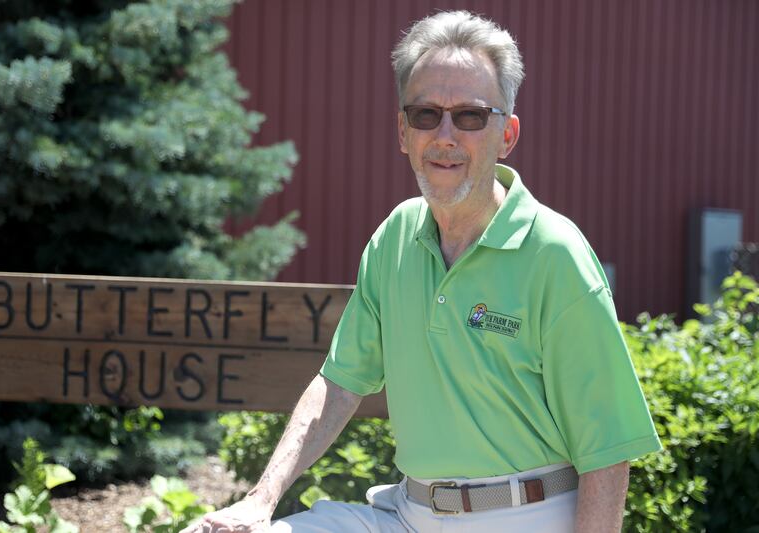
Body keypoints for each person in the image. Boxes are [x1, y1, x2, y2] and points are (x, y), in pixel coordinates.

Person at [183, 10, 661, 533]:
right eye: (426, 114)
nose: (446, 135)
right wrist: (260, 499)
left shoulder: (556, 254)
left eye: (472, 116)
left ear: (507, 135)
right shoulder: (395, 237)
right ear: (403, 132)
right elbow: (340, 385)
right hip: (409, 515)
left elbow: (608, 454)